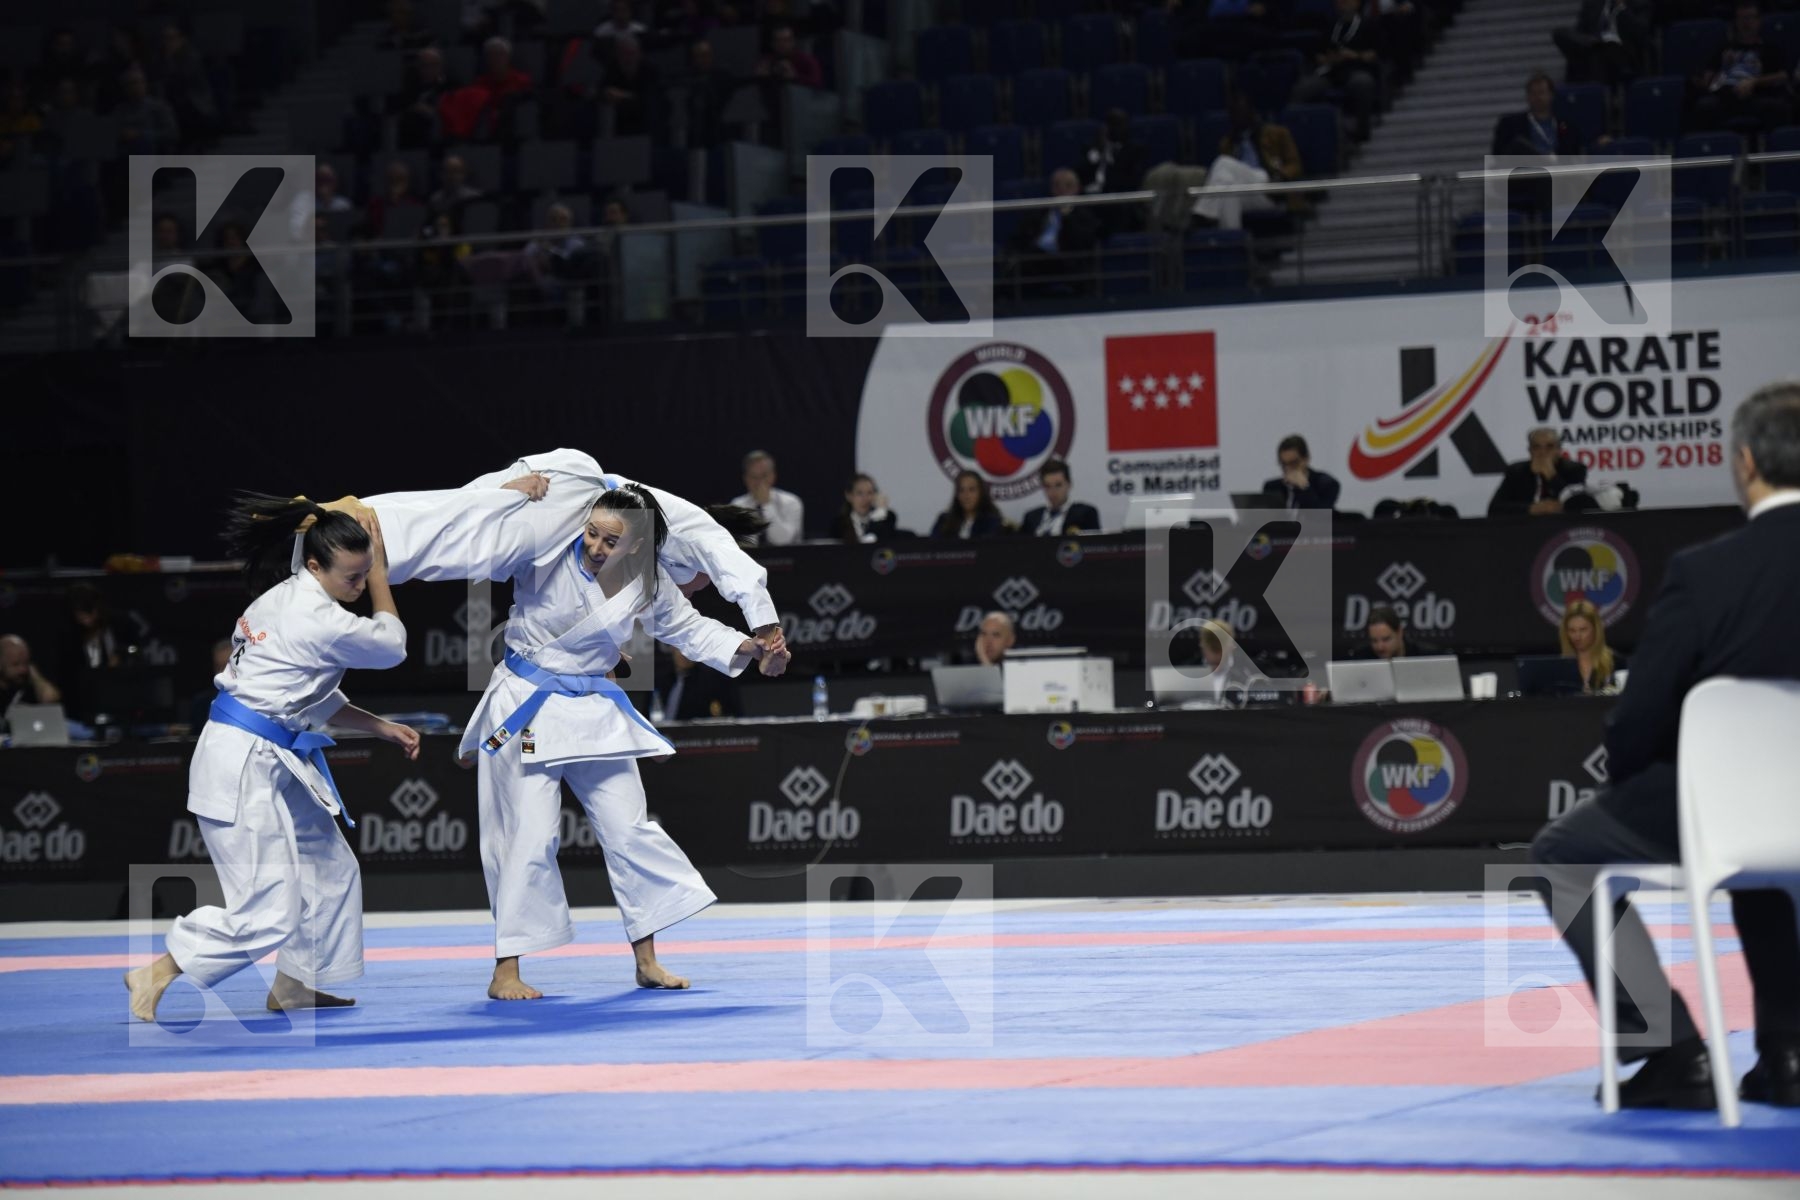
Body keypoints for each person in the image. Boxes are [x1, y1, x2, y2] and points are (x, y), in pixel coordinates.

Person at [1528, 380, 1800, 1110]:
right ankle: (1790, 1054)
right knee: (1772, 856)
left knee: (1561, 854)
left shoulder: (1708, 573)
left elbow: (1638, 724)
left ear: (1745, 462)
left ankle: (1670, 1053)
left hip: (1730, 809)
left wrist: (1637, 774)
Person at [463, 483, 772, 1000]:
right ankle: (505, 970)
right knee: (526, 836)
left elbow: (690, 628)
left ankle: (647, 960)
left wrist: (750, 644)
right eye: (592, 533)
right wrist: (513, 490)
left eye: (612, 540)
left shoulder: (644, 580)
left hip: (594, 705)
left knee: (629, 828)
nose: (597, 547)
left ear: (636, 545)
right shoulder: (544, 551)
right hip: (528, 701)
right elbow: (483, 538)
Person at [123, 497, 420, 1023]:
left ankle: (294, 984)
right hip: (240, 763)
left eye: (362, 577)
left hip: (271, 754)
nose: (357, 586)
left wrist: (379, 726)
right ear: (314, 567)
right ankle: (160, 971)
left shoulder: (282, 596)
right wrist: (381, 576)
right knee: (268, 907)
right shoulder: (316, 617)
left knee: (329, 866)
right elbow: (392, 645)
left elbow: (305, 696)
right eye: (352, 577)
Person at [1195, 93, 1304, 232]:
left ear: (1252, 112)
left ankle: (1203, 211)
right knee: (1229, 186)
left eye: (1243, 111)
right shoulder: (1228, 143)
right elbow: (1222, 178)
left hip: (1268, 186)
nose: (1240, 117)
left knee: (1223, 163)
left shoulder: (1277, 133)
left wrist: (1280, 175)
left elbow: (1295, 164)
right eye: (1235, 114)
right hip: (1243, 189)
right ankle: (1234, 244)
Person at [1694, 3, 1794, 135]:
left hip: (1757, 96)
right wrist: (1721, 70)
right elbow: (1708, 79)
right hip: (1726, 97)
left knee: (1779, 108)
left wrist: (1755, 82)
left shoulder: (1769, 48)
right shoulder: (1725, 48)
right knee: (1704, 106)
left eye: (1750, 18)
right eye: (1741, 18)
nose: (1746, 23)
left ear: (1759, 21)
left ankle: (1776, 151)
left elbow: (1783, 75)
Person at [1291, 0, 1384, 142]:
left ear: (1357, 3)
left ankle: (1362, 131)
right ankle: (1299, 136)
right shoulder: (1329, 25)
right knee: (1302, 88)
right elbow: (1318, 54)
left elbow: (1375, 54)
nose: (1343, 4)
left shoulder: (1368, 24)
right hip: (1331, 72)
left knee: (1362, 83)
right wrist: (1330, 59)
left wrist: (1353, 55)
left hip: (1356, 69)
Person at [1489, 426, 1589, 516]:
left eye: (1549, 446)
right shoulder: (1516, 471)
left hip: (1560, 528)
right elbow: (1494, 509)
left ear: (1559, 450)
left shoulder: (1575, 469)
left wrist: (1551, 475)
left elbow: (1577, 506)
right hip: (1525, 528)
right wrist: (1531, 509)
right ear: (1530, 451)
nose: (1543, 452)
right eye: (1536, 447)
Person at [1553, 0, 1650, 87]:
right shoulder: (1592, 3)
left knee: (1606, 50)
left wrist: (1621, 7)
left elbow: (1640, 33)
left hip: (1623, 55)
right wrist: (1593, 41)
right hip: (1594, 49)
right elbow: (1579, 34)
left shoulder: (1638, 3)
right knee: (1559, 33)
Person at [1491, 72, 1584, 157]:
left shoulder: (1568, 127)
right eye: (1533, 93)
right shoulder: (1510, 126)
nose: (1537, 97)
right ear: (1527, 96)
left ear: (1551, 95)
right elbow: (1499, 156)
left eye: (1541, 92)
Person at [732, 450, 804, 546]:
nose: (759, 482)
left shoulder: (791, 502)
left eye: (764, 476)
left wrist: (766, 504)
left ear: (773, 476)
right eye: (754, 477)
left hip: (786, 558)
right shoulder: (737, 505)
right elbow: (744, 545)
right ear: (746, 479)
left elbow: (784, 541)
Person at [658, 646, 741, 721]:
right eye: (680, 648)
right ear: (672, 648)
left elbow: (729, 714)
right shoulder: (662, 677)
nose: (684, 654)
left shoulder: (712, 679)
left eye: (689, 650)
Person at [1019, 459, 1100, 536]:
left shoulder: (1085, 514)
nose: (1052, 491)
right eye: (1047, 486)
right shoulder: (1031, 517)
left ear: (1069, 485)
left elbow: (1093, 547)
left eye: (1058, 485)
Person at [1260, 435, 1341, 511]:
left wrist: (1304, 487)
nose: (1288, 469)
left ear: (1306, 459)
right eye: (1283, 464)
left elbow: (1321, 517)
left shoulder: (1326, 484)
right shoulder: (1272, 487)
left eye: (1293, 463)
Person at [1560, 598, 1623, 694]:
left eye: (1583, 630)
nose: (1577, 637)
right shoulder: (1561, 666)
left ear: (1595, 629)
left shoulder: (1615, 662)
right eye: (1572, 630)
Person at [931, 470, 1007, 539]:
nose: (966, 495)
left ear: (981, 493)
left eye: (971, 490)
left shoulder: (992, 522)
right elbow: (933, 548)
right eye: (961, 490)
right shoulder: (944, 521)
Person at [831, 473, 899, 544]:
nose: (865, 499)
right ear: (849, 496)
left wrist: (880, 511)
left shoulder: (887, 517)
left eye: (870, 493)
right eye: (859, 493)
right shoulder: (839, 524)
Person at [1, 634, 62, 711]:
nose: (23, 669)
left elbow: (51, 701)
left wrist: (34, 674)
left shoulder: (29, 686)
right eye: (16, 664)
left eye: (26, 663)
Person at [1357, 604, 1439, 661]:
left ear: (1399, 632)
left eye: (1386, 639)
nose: (1380, 647)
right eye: (1374, 641)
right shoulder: (1361, 659)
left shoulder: (1425, 657)